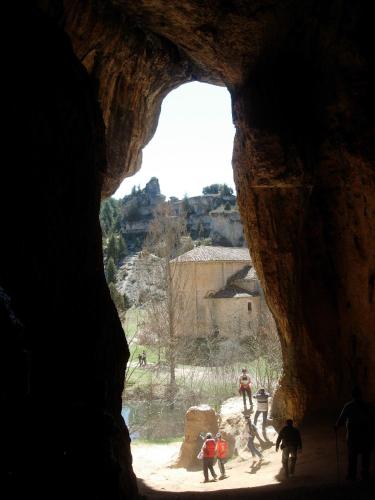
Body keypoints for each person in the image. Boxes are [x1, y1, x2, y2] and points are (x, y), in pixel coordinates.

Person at [334, 386, 374, 480]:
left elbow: (342, 419)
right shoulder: (367, 406)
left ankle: (352, 474)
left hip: (354, 436)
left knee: (353, 456)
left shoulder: (349, 406)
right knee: (365, 455)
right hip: (364, 435)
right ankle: (364, 473)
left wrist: (336, 426)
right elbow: (373, 418)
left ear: (352, 395)